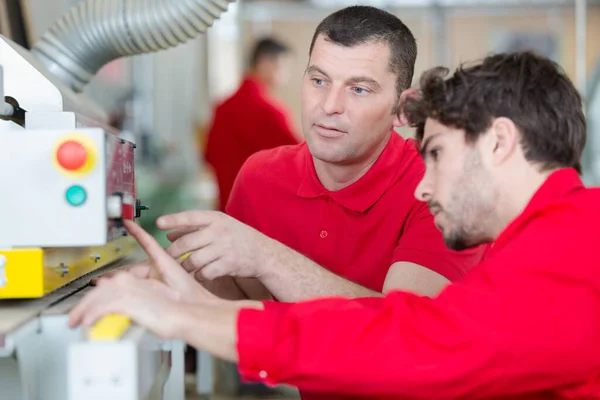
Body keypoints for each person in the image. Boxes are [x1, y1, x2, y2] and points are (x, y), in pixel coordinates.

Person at [71, 50, 600, 399]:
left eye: (436, 153)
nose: (424, 183)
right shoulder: (549, 240)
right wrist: (198, 305)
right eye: (319, 80)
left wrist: (187, 319)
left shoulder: (571, 250)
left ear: (501, 142)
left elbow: (407, 342)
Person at [142, 6, 484, 311]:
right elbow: (247, 302)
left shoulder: (440, 189)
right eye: (319, 80)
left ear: (403, 110)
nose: (329, 105)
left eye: (359, 88)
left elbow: (406, 335)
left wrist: (266, 256)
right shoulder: (260, 177)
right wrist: (183, 273)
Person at [204, 37, 300, 212]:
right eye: (283, 67)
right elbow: (300, 161)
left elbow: (209, 155)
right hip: (260, 212)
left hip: (227, 208)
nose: (286, 74)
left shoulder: (223, 107)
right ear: (264, 63)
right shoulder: (269, 112)